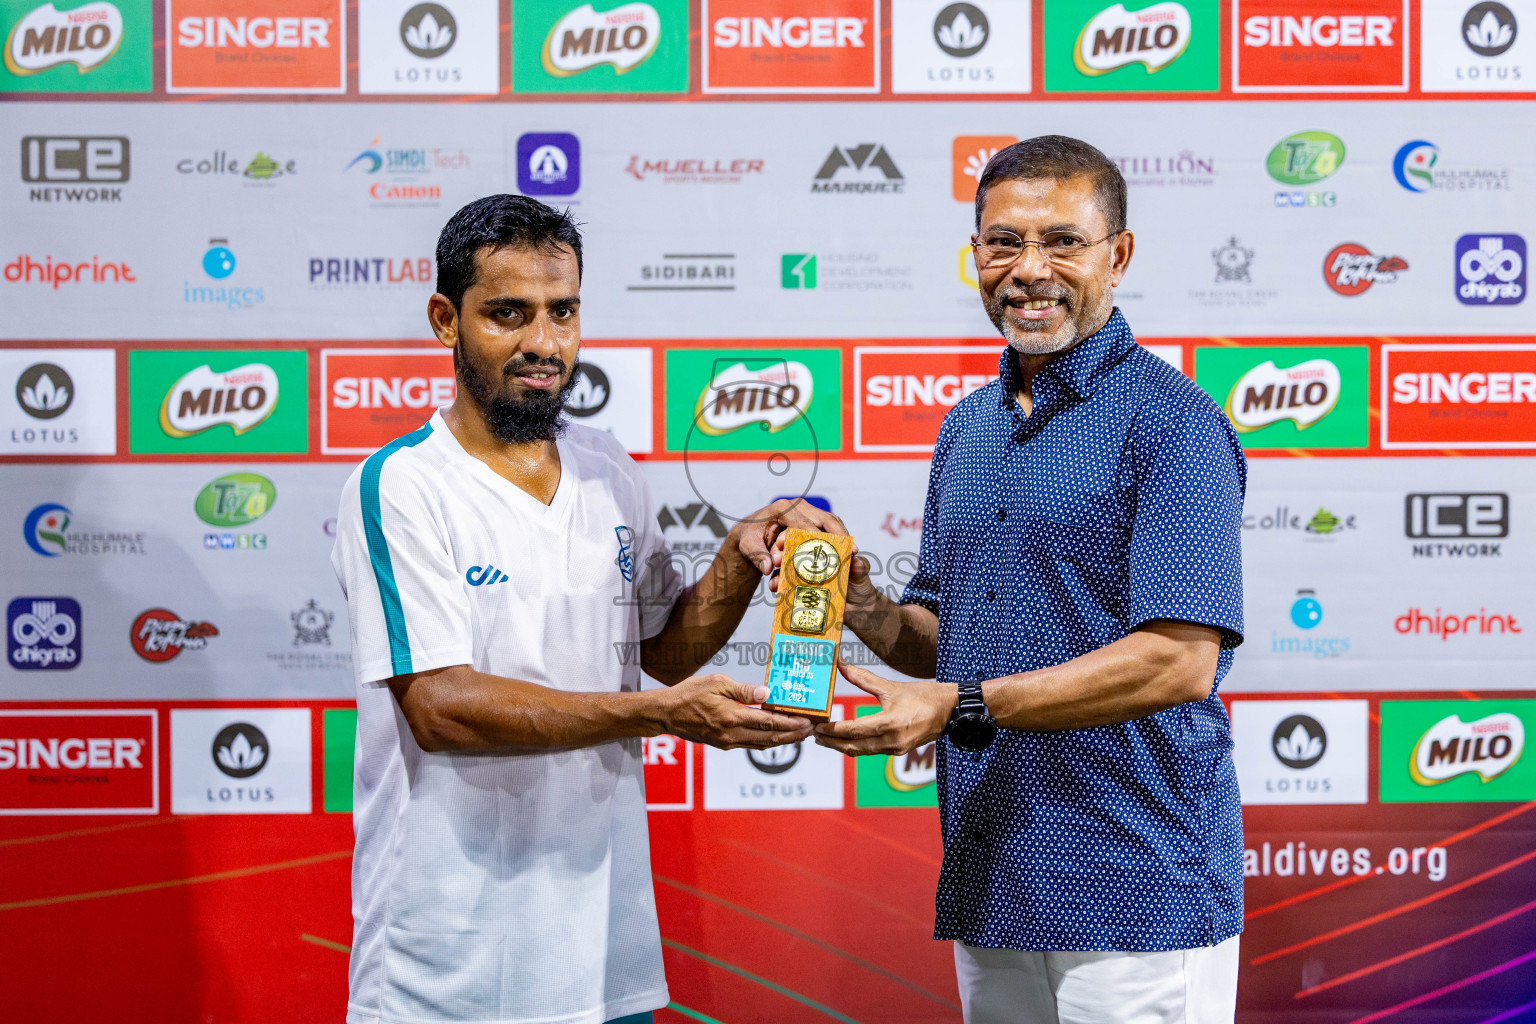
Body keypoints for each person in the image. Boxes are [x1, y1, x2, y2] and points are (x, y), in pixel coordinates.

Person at [331, 194, 819, 1024]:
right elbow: (441, 708)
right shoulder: (400, 485)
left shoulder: (608, 466)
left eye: (563, 311)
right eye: (508, 314)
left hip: (605, 943)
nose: (543, 343)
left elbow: (656, 651)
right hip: (451, 955)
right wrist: (660, 714)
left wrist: (739, 559)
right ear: (446, 321)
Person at [803, 136, 1248, 1023]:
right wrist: (862, 604)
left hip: (1137, 882)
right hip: (996, 872)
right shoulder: (964, 427)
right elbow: (951, 643)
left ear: (1117, 256)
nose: (1028, 270)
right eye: (1002, 242)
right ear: (974, 255)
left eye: (1063, 242)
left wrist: (963, 705)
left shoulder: (1173, 422)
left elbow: (1179, 661)